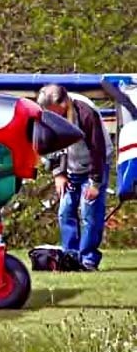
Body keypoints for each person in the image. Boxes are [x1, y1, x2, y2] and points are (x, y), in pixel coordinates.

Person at [37, 83, 113, 271]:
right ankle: (70, 257)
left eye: (53, 110)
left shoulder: (86, 112)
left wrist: (95, 183)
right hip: (70, 166)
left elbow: (98, 149)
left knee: (89, 212)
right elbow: (49, 143)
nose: (50, 114)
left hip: (94, 165)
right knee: (65, 210)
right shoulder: (49, 114)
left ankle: (88, 259)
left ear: (63, 103)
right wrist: (58, 173)